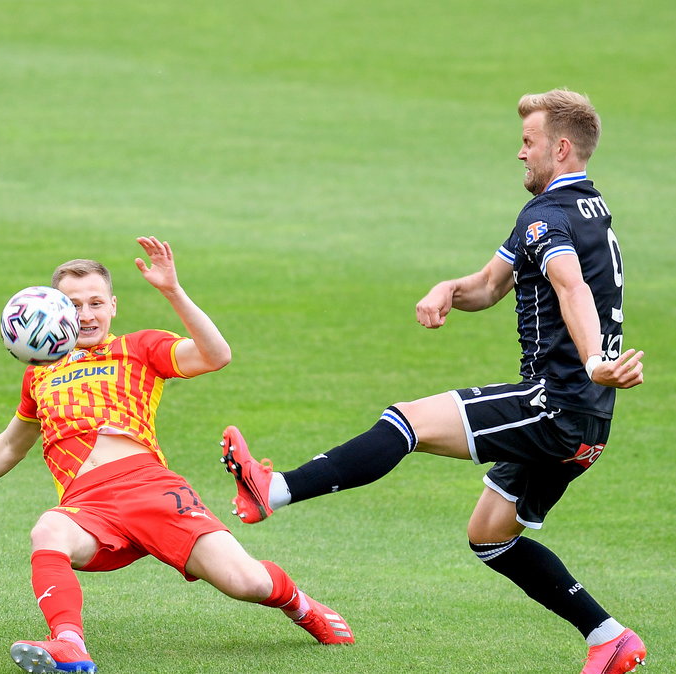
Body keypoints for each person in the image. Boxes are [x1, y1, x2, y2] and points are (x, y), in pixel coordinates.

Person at [220, 89, 648, 674]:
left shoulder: (546, 217)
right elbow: (490, 286)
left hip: (557, 404)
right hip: (589, 421)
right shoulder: (586, 209)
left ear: (562, 148)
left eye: (529, 143)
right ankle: (609, 635)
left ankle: (273, 491)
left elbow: (570, 286)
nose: (520, 154)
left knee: (407, 421)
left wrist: (595, 359)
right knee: (490, 537)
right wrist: (449, 289)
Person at [0, 237, 352, 674]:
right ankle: (69, 643)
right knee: (48, 528)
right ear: (55, 309)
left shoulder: (139, 348)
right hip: (87, 506)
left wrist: (173, 291)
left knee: (245, 583)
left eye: (95, 303)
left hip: (152, 489)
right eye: (73, 304)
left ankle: (301, 606)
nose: (86, 314)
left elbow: (216, 355)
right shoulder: (40, 374)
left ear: (112, 306)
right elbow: (9, 445)